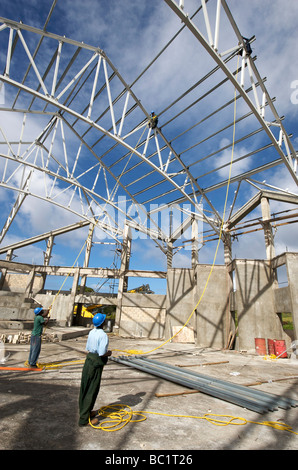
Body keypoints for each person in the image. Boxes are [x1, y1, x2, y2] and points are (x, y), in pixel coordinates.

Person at [78, 313, 112, 426]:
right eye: (104, 320)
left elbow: (88, 347)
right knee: (92, 390)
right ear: (102, 323)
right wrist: (109, 353)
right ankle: (84, 419)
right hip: (96, 362)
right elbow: (102, 353)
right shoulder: (103, 335)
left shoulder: (91, 332)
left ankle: (86, 411)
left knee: (85, 387)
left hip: (89, 360)